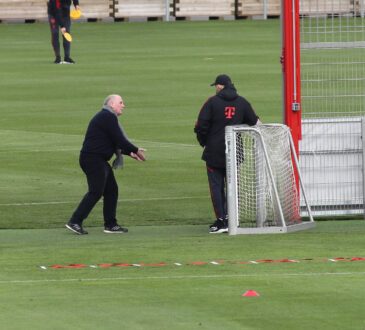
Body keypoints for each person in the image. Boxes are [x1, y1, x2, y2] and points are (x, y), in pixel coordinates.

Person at [66, 94, 146, 235]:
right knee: (96, 191)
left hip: (97, 159)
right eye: (121, 102)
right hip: (93, 159)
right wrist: (135, 150)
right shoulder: (107, 117)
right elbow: (120, 139)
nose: (123, 105)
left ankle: (110, 225)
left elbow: (114, 141)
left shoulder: (107, 117)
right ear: (111, 104)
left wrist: (130, 153)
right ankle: (75, 221)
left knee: (111, 190)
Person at [194, 74, 260, 234]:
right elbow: (256, 122)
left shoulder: (212, 102)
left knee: (216, 187)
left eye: (216, 85)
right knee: (233, 185)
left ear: (220, 86)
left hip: (214, 151)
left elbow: (200, 126)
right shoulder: (242, 102)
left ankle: (221, 221)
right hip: (235, 151)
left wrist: (204, 142)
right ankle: (232, 218)